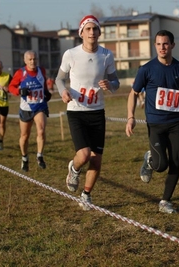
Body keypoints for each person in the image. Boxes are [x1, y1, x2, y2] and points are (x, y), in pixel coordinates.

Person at [125, 30, 179, 214]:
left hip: (174, 124)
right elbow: (133, 93)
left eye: (166, 44)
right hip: (155, 124)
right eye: (159, 44)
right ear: (155, 46)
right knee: (162, 166)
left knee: (176, 162)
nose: (162, 47)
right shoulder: (146, 69)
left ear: (172, 45)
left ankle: (165, 201)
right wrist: (131, 117)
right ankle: (150, 159)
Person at [55, 15, 120, 211]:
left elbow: (116, 84)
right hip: (76, 111)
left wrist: (110, 84)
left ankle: (86, 195)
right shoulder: (71, 54)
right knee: (83, 155)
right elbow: (59, 79)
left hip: (97, 112)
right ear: (81, 32)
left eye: (95, 29)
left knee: (96, 160)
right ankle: (74, 169)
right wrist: (63, 92)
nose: (92, 32)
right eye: (88, 29)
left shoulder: (107, 55)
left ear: (99, 33)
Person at [9, 50, 52, 172]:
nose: (33, 61)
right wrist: (19, 91)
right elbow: (11, 87)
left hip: (40, 106)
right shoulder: (20, 73)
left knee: (41, 130)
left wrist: (46, 93)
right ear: (25, 61)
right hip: (26, 108)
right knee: (24, 136)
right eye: (30, 59)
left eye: (35, 59)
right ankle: (24, 157)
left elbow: (43, 84)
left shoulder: (41, 70)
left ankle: (40, 156)